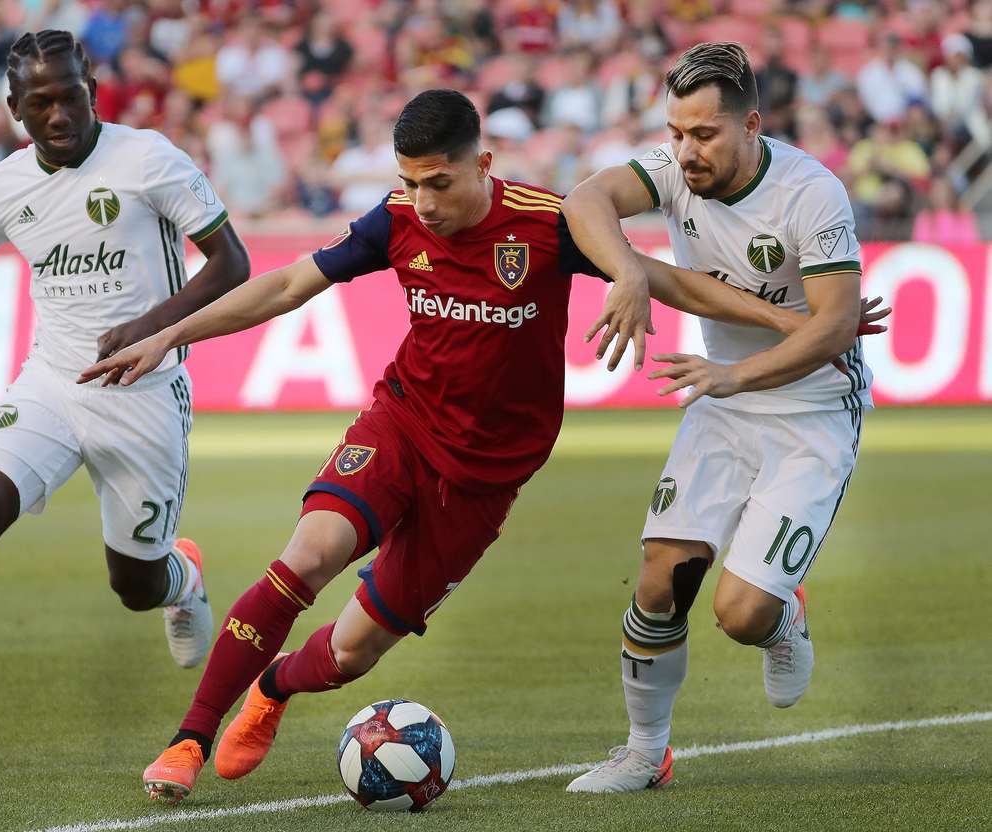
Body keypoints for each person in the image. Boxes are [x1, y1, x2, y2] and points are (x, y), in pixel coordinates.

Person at [78, 88, 860, 806]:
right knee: (306, 557)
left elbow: (673, 282)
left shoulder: (547, 226)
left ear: (481, 165)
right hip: (403, 425)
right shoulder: (396, 221)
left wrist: (805, 325)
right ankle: (188, 739)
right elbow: (288, 286)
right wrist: (171, 335)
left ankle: (275, 687)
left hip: (482, 483)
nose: (424, 201)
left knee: (351, 655)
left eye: (439, 183)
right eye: (410, 182)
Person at [0, 29, 251, 756]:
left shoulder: (149, 158)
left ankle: (182, 578)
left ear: (90, 86)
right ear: (16, 111)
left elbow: (232, 263)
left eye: (71, 95)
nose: (60, 114)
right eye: (42, 103)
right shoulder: (2, 186)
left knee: (132, 583)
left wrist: (150, 326)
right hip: (51, 385)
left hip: (144, 392)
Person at [562, 42, 881, 794]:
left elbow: (834, 330)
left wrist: (733, 372)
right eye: (675, 131)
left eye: (703, 134)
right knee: (659, 579)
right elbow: (583, 200)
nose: (684, 150)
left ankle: (782, 619)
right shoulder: (674, 173)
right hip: (723, 406)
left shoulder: (812, 192)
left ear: (750, 127)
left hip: (812, 412)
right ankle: (645, 752)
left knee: (739, 613)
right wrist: (633, 271)